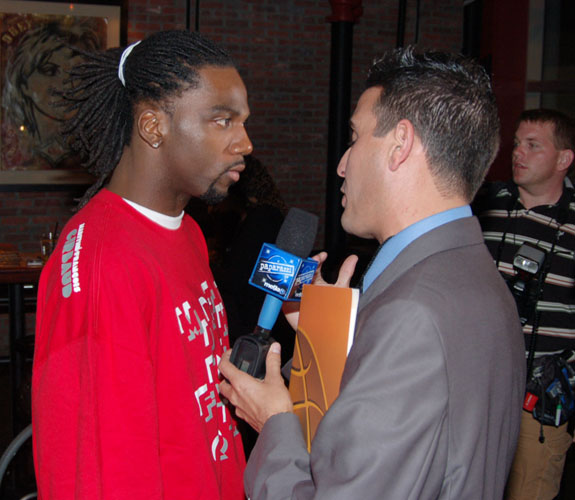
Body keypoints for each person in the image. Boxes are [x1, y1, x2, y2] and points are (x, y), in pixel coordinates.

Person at [219, 47, 526, 499]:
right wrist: (333, 340)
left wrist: (275, 425)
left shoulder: (411, 314)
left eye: (355, 137)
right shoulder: (475, 272)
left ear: (400, 144)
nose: (342, 165)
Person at [32, 30, 252, 499]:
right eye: (222, 121)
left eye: (243, 122)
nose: (244, 143)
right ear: (153, 126)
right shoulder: (104, 262)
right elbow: (95, 467)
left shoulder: (188, 231)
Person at [474, 109, 575, 500]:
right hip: (477, 390)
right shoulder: (486, 206)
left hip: (537, 404)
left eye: (533, 145)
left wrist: (565, 381)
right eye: (517, 144)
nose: (518, 153)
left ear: (564, 159)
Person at [2, 20, 101, 169]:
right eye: (50, 71)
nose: (65, 84)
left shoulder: (97, 146)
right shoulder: (8, 145)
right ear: (23, 83)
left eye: (75, 73)